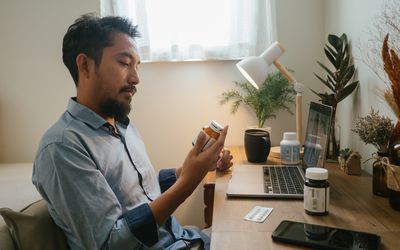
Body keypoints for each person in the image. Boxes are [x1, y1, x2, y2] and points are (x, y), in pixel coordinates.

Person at [32, 14, 233, 250]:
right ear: (85, 65)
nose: (136, 78)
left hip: (187, 239)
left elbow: (141, 194)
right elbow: (111, 244)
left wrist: (189, 169)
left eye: (137, 66)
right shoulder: (62, 147)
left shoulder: (122, 125)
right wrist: (189, 182)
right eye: (124, 63)